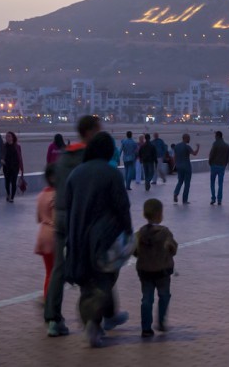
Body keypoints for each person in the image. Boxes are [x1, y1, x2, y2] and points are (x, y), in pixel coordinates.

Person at [64, 132, 133, 349]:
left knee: (86, 281)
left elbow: (68, 206)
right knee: (104, 279)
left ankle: (96, 322)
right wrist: (128, 230)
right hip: (104, 236)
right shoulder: (112, 174)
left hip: (78, 235)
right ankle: (95, 321)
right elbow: (122, 206)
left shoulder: (75, 174)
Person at [44, 115, 99, 338]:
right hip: (81, 218)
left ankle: (53, 318)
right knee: (90, 268)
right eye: (97, 130)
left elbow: (56, 182)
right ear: (89, 132)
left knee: (59, 268)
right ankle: (91, 320)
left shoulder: (64, 156)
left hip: (61, 216)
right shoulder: (88, 156)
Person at [135, 198, 178, 338]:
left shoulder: (140, 233)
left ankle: (146, 328)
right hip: (162, 271)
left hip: (145, 271)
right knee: (164, 296)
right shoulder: (165, 233)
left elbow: (135, 251)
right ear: (160, 214)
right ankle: (161, 321)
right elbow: (173, 249)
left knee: (146, 299)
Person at [36, 163, 57, 296]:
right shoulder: (56, 195)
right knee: (55, 272)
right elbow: (57, 221)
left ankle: (46, 298)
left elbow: (38, 218)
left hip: (42, 234)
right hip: (53, 236)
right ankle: (50, 301)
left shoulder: (41, 195)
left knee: (49, 272)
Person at [172, 133, 200, 204]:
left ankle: (176, 193)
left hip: (179, 166)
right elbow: (194, 153)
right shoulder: (187, 147)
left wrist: (175, 164)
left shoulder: (177, 146)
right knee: (187, 184)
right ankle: (184, 200)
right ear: (185, 138)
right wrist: (198, 147)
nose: (189, 139)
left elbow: (174, 157)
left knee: (180, 181)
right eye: (188, 138)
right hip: (187, 167)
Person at [207, 131, 229, 205]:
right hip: (222, 166)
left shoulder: (215, 144)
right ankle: (219, 200)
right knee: (220, 184)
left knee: (212, 183)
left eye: (215, 135)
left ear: (217, 136)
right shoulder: (226, 145)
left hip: (214, 165)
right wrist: (225, 164)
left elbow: (212, 154)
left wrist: (210, 162)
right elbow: (227, 156)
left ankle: (213, 198)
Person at [2, 131, 24, 203]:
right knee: (7, 182)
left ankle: (12, 197)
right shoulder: (4, 146)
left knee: (13, 182)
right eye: (7, 136)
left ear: (12, 137)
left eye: (9, 136)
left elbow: (20, 157)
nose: (7, 138)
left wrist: (21, 168)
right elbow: (1, 156)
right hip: (6, 167)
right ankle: (8, 194)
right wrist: (1, 160)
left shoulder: (17, 146)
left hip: (15, 167)